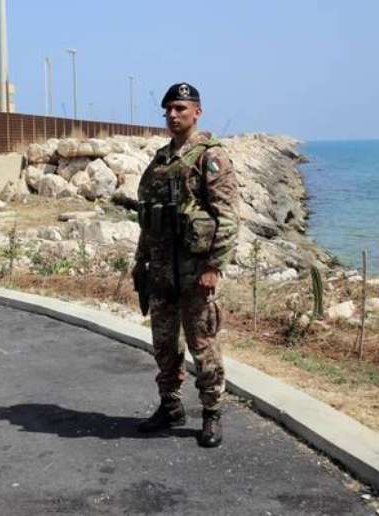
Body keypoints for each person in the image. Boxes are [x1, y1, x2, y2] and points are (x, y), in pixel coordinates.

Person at [133, 82, 239, 447]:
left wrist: (214, 266)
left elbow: (227, 218)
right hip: (161, 274)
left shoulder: (211, 157)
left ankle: (211, 414)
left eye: (180, 108)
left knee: (203, 346)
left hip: (196, 275)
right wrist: (140, 263)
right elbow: (148, 219)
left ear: (197, 111)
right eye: (168, 110)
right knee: (164, 347)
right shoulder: (160, 162)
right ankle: (170, 407)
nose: (173, 115)